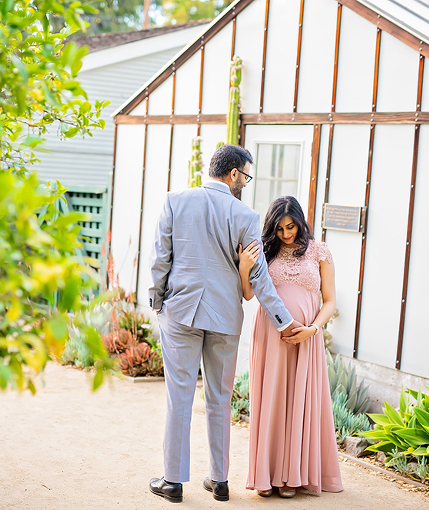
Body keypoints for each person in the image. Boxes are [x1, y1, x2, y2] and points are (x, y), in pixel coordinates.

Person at [147, 145, 304, 503]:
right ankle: (219, 480)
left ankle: (172, 482)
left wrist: (157, 300)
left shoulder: (175, 200)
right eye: (245, 176)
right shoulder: (245, 215)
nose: (245, 183)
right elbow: (260, 279)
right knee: (220, 398)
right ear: (233, 174)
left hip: (181, 312)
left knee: (180, 397)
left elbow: (160, 258)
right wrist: (284, 321)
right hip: (224, 318)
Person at [239, 196, 343, 498]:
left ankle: (292, 478)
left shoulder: (319, 251)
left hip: (306, 339)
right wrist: (245, 267)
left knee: (300, 401)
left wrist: (313, 329)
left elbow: (330, 301)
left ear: (300, 222)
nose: (286, 234)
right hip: (270, 337)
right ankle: (266, 476)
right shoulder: (263, 250)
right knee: (271, 400)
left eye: (291, 227)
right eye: (280, 228)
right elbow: (248, 295)